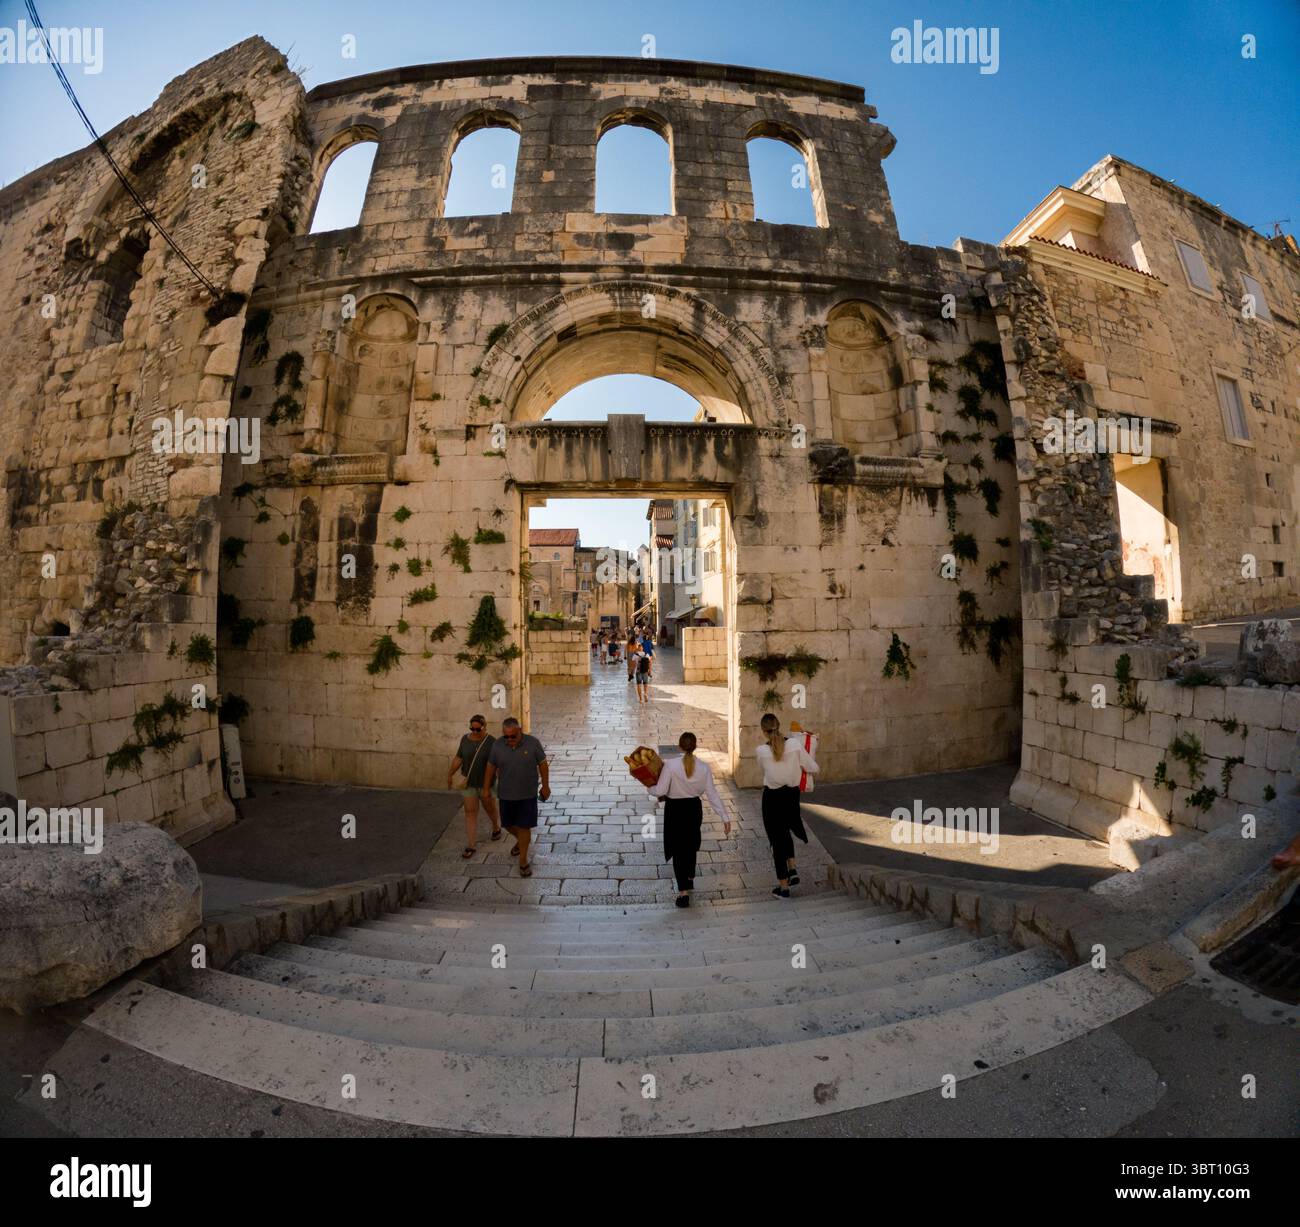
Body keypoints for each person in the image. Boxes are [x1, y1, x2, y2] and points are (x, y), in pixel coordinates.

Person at [646, 732, 730, 907]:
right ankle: (690, 877)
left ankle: (683, 892)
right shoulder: (704, 767)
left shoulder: (671, 766)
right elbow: (712, 794)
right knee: (691, 844)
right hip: (693, 809)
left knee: (678, 849)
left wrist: (649, 788)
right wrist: (724, 816)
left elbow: (660, 790)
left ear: (679, 746)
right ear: (695, 746)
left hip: (675, 810)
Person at [755, 713, 818, 897]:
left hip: (772, 799)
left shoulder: (761, 751)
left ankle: (783, 887)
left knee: (777, 839)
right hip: (791, 796)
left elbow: (764, 770)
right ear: (779, 725)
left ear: (763, 731)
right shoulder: (795, 745)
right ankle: (792, 869)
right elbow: (813, 767)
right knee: (787, 830)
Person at [482, 717, 550, 877]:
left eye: (513, 736)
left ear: (520, 731)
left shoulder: (533, 743)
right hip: (506, 793)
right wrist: (485, 788)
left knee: (524, 826)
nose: (510, 740)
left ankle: (523, 860)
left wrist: (545, 786)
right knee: (507, 824)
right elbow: (491, 766)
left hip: (527, 793)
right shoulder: (497, 745)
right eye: (506, 736)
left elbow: (543, 764)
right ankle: (521, 841)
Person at [447, 714, 501, 858]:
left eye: (478, 729)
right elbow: (459, 758)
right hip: (469, 783)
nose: (475, 732)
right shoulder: (465, 739)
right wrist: (450, 774)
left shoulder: (492, 742)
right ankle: (471, 845)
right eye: (472, 729)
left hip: (486, 784)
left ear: (484, 727)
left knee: (489, 808)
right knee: (470, 813)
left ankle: (496, 826)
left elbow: (497, 765)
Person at [633, 636, 652, 703]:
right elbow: (650, 662)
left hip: (638, 671)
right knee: (645, 684)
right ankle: (645, 694)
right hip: (645, 671)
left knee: (638, 685)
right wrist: (649, 671)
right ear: (642, 647)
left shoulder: (635, 655)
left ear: (637, 647)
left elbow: (634, 664)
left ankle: (640, 699)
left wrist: (632, 672)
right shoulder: (646, 654)